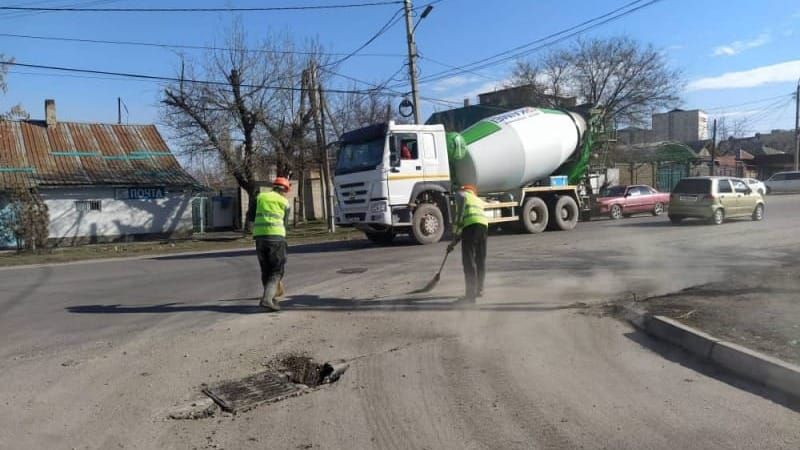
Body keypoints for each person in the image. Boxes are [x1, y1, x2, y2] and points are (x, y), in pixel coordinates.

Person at [252, 177, 291, 312]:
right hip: (276, 238)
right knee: (276, 270)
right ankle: (267, 300)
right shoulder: (284, 202)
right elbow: (285, 223)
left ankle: (270, 298)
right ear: (284, 190)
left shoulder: (260, 197)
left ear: (274, 187)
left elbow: (251, 215)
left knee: (266, 269)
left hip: (259, 237)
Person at [447, 184, 488, 304]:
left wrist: (454, 235)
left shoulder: (461, 195)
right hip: (483, 228)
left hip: (471, 228)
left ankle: (470, 296)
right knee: (480, 260)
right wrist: (454, 243)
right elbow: (470, 222)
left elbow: (460, 217)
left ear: (464, 189)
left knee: (468, 262)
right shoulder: (478, 200)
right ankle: (480, 290)